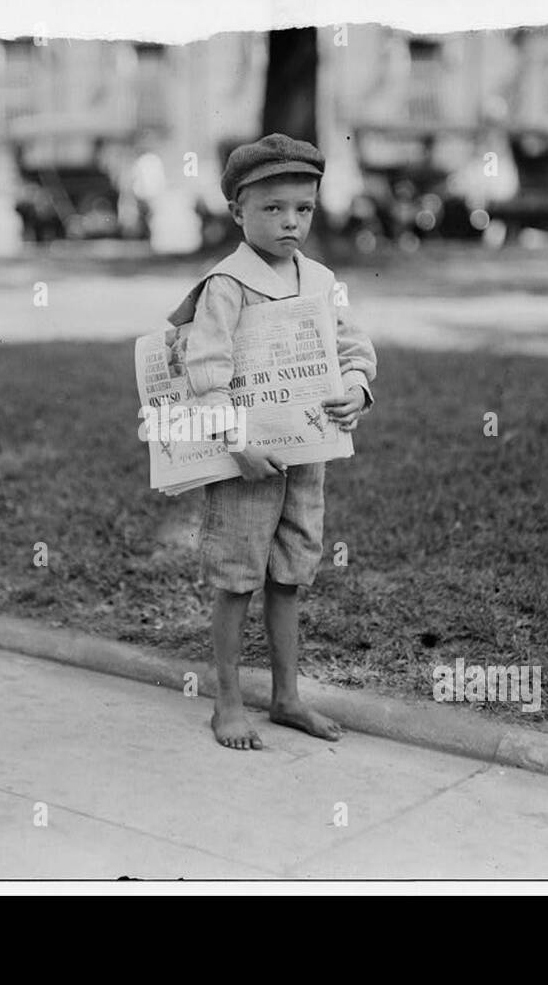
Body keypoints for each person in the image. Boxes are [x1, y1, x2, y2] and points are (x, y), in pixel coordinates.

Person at [167, 133, 378, 751]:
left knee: (289, 574)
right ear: (237, 211)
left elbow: (352, 346)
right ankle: (227, 700)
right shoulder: (227, 284)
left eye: (303, 209)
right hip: (245, 462)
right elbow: (204, 370)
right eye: (272, 208)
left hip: (305, 456)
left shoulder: (319, 278)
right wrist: (234, 441)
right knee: (237, 578)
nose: (290, 222)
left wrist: (357, 387)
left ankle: (287, 698)